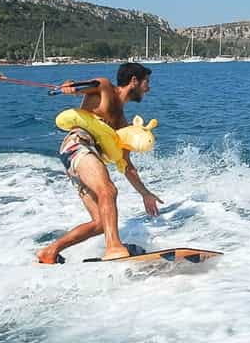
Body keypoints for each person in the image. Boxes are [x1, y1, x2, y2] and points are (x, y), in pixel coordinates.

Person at [37, 63, 163, 263]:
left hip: (82, 159)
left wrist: (145, 193)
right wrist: (69, 86)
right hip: (78, 144)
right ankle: (113, 247)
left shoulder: (122, 124)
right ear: (134, 81)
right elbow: (81, 87)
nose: (148, 88)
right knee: (108, 190)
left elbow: (127, 165)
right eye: (146, 82)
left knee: (102, 223)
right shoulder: (104, 88)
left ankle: (50, 251)